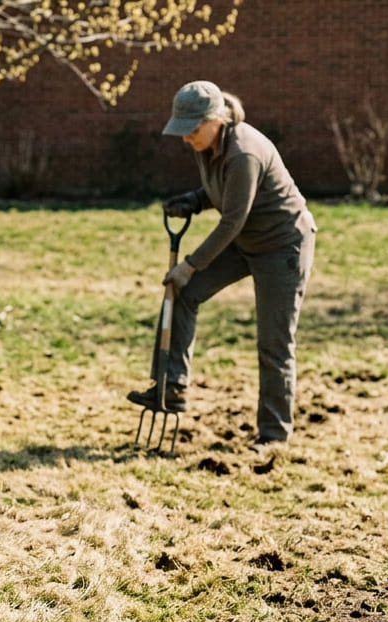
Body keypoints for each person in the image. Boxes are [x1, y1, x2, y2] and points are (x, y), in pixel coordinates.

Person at [128, 80, 316, 450]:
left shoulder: (244, 152)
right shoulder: (207, 144)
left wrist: (191, 265)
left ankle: (274, 435)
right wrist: (194, 200)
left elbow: (233, 219)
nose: (186, 138)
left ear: (216, 118)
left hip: (282, 245)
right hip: (244, 239)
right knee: (182, 293)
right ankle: (171, 387)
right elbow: (224, 192)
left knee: (273, 342)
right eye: (182, 130)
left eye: (192, 129)